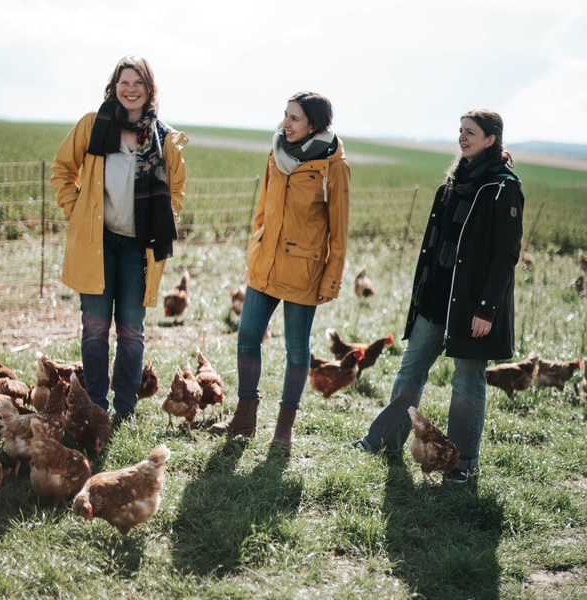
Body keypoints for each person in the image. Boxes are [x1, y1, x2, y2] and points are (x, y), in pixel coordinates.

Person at [349, 109, 525, 482]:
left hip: (472, 305)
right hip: (436, 297)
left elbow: (505, 256)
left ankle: (461, 465)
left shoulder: (502, 187)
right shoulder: (452, 182)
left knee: (466, 383)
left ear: (491, 139)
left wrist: (486, 309)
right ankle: (384, 442)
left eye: (471, 132)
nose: (463, 137)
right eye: (461, 131)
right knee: (410, 369)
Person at [51, 56, 188, 423]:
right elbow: (62, 169)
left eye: (138, 82)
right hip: (96, 243)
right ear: (114, 87)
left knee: (131, 332)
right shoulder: (93, 125)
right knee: (95, 329)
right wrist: (75, 210)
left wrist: (162, 220)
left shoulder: (164, 139)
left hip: (136, 248)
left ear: (149, 89)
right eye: (124, 82)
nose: (131, 89)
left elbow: (176, 192)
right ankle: (97, 407)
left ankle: (125, 409)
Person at [210, 91, 351, 447]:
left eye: (294, 118)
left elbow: (340, 229)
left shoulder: (334, 166)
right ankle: (244, 417)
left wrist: (330, 280)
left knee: (296, 350)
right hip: (265, 262)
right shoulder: (276, 153)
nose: (285, 124)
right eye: (285, 115)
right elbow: (262, 208)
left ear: (313, 126)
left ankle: (284, 429)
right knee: (247, 337)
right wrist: (255, 245)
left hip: (304, 271)